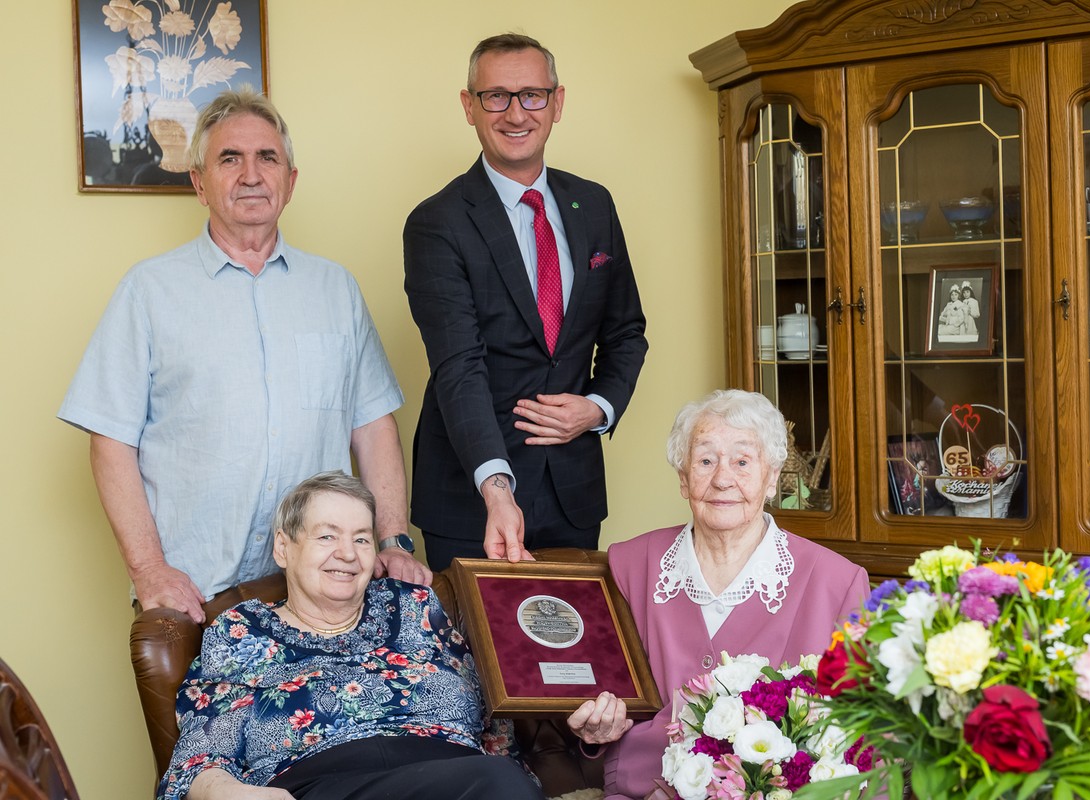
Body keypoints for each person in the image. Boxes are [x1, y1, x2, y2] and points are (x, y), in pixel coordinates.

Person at [59, 89, 430, 625]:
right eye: (230, 158)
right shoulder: (148, 291)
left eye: (267, 158)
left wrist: (393, 539)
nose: (251, 175)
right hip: (196, 590)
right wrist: (149, 569)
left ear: (290, 182)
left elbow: (372, 426)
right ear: (198, 182)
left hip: (322, 587)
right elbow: (111, 442)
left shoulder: (336, 290)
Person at [403, 33, 648, 571]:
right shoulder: (436, 222)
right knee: (471, 630)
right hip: (470, 497)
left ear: (557, 103)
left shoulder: (594, 204)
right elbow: (458, 366)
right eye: (496, 96)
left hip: (573, 492)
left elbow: (626, 332)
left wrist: (598, 408)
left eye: (532, 95)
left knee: (575, 627)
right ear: (469, 106)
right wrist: (496, 488)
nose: (516, 114)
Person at [156, 471, 541, 800]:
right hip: (322, 787)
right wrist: (230, 792)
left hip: (458, 779)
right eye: (327, 537)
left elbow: (495, 724)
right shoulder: (241, 631)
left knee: (504, 781)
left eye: (361, 539)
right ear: (283, 548)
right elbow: (201, 755)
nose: (347, 553)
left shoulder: (414, 605)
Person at [566, 390, 870, 799]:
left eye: (742, 462)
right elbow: (600, 704)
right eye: (706, 461)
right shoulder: (629, 565)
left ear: (772, 478)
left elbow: (865, 735)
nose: (723, 479)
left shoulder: (838, 582)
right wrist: (595, 728)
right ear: (683, 478)